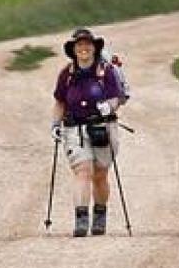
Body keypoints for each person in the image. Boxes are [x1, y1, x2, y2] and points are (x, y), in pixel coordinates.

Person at [51, 27, 128, 237]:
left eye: (87, 44)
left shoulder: (106, 71)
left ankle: (100, 215)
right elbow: (60, 102)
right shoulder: (66, 74)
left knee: (100, 175)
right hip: (74, 129)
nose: (83, 48)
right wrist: (55, 124)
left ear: (94, 48)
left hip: (102, 127)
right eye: (79, 45)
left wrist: (108, 107)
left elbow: (116, 98)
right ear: (73, 49)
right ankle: (81, 219)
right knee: (82, 171)